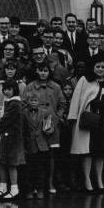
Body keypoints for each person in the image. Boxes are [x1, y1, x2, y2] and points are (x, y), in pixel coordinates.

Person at [68, 54, 104, 192]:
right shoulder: (85, 80)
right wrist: (73, 117)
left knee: (101, 151)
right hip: (89, 120)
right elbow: (77, 99)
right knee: (88, 151)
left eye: (103, 67)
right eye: (97, 66)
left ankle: (99, 179)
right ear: (92, 67)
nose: (100, 69)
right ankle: (87, 179)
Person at [22, 63, 65, 193]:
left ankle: (50, 183)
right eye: (40, 70)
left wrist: (57, 116)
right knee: (35, 157)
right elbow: (24, 104)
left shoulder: (55, 86)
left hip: (51, 124)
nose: (43, 73)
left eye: (45, 70)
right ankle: (34, 186)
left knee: (51, 155)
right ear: (36, 71)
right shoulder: (30, 86)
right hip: (34, 125)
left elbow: (62, 103)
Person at [0, 78, 24, 200]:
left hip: (13, 137)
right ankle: (3, 187)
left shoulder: (15, 103)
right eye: (5, 89)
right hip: (5, 136)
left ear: (15, 89)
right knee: (2, 162)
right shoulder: (9, 102)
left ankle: (14, 188)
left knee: (11, 163)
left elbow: (6, 119)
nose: (7, 92)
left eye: (9, 89)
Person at [22, 90, 55, 199]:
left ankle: (40, 189)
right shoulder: (23, 113)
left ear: (39, 101)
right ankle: (29, 190)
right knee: (29, 170)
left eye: (36, 100)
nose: (33, 102)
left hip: (42, 145)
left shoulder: (44, 112)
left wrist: (49, 130)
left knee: (41, 169)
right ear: (27, 101)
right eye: (31, 100)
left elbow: (50, 126)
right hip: (28, 145)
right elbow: (21, 130)